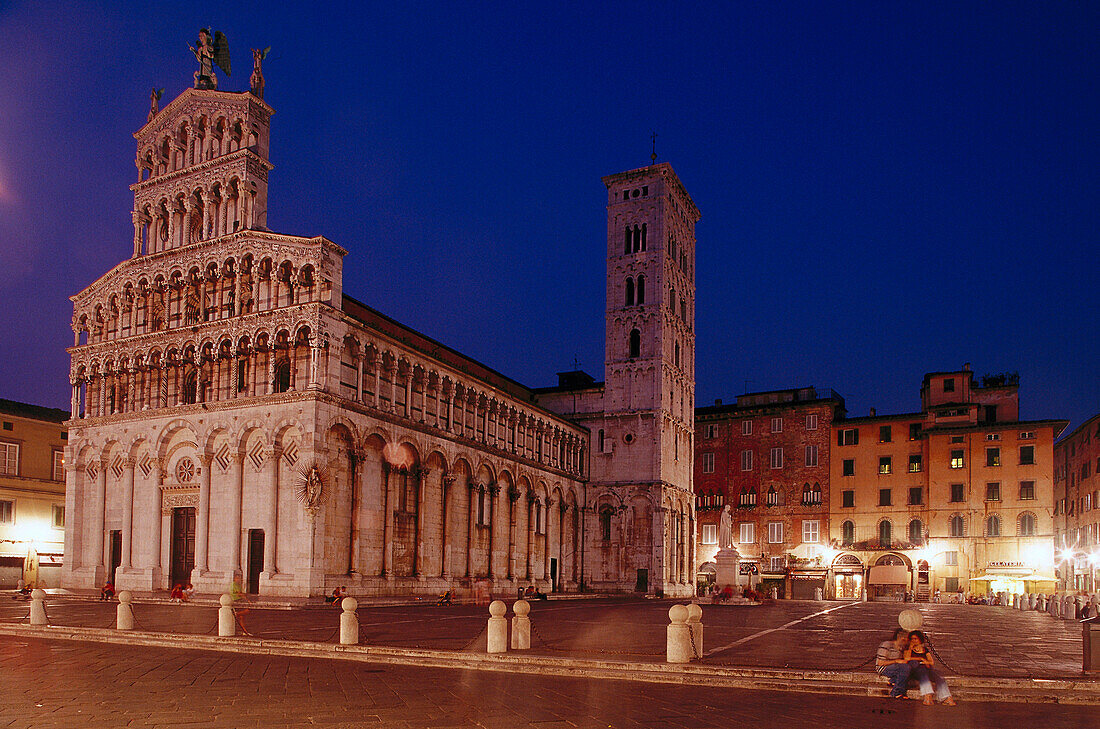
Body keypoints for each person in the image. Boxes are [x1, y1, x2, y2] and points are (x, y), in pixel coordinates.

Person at [905, 631, 955, 706]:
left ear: (920, 639)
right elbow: (906, 658)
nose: (913, 641)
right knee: (923, 674)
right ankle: (927, 696)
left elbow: (931, 662)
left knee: (938, 677)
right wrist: (920, 658)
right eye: (912, 639)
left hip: (926, 669)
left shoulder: (925, 649)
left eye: (915, 639)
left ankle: (947, 697)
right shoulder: (908, 649)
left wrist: (926, 662)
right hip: (916, 670)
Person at [876, 628, 912, 699]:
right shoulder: (886, 645)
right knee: (905, 668)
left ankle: (893, 680)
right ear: (902, 639)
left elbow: (906, 660)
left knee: (910, 665)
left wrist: (910, 647)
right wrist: (896, 661)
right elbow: (880, 663)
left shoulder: (900, 648)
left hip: (895, 667)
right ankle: (896, 692)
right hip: (884, 667)